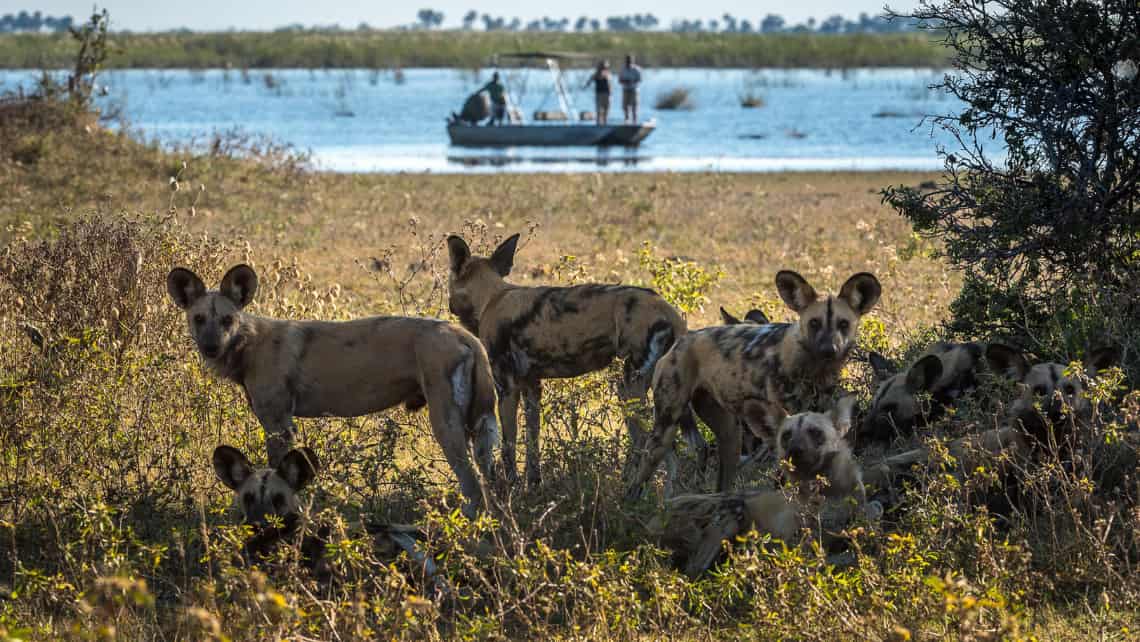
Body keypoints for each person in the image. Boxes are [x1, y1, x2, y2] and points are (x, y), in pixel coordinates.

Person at [583, 61, 611, 125]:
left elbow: (609, 84)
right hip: (599, 94)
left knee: (606, 110)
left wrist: (610, 92)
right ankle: (598, 123)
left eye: (605, 67)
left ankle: (605, 123)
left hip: (607, 94)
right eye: (603, 67)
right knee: (599, 110)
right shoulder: (596, 74)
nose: (604, 68)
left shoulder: (608, 74)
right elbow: (589, 81)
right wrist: (585, 86)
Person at [619, 54, 642, 124]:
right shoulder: (623, 69)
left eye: (630, 60)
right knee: (625, 106)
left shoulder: (637, 69)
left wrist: (631, 81)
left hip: (634, 89)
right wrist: (625, 81)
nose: (629, 61)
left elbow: (639, 79)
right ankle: (627, 120)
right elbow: (620, 80)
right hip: (625, 89)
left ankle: (635, 121)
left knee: (634, 106)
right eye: (628, 60)